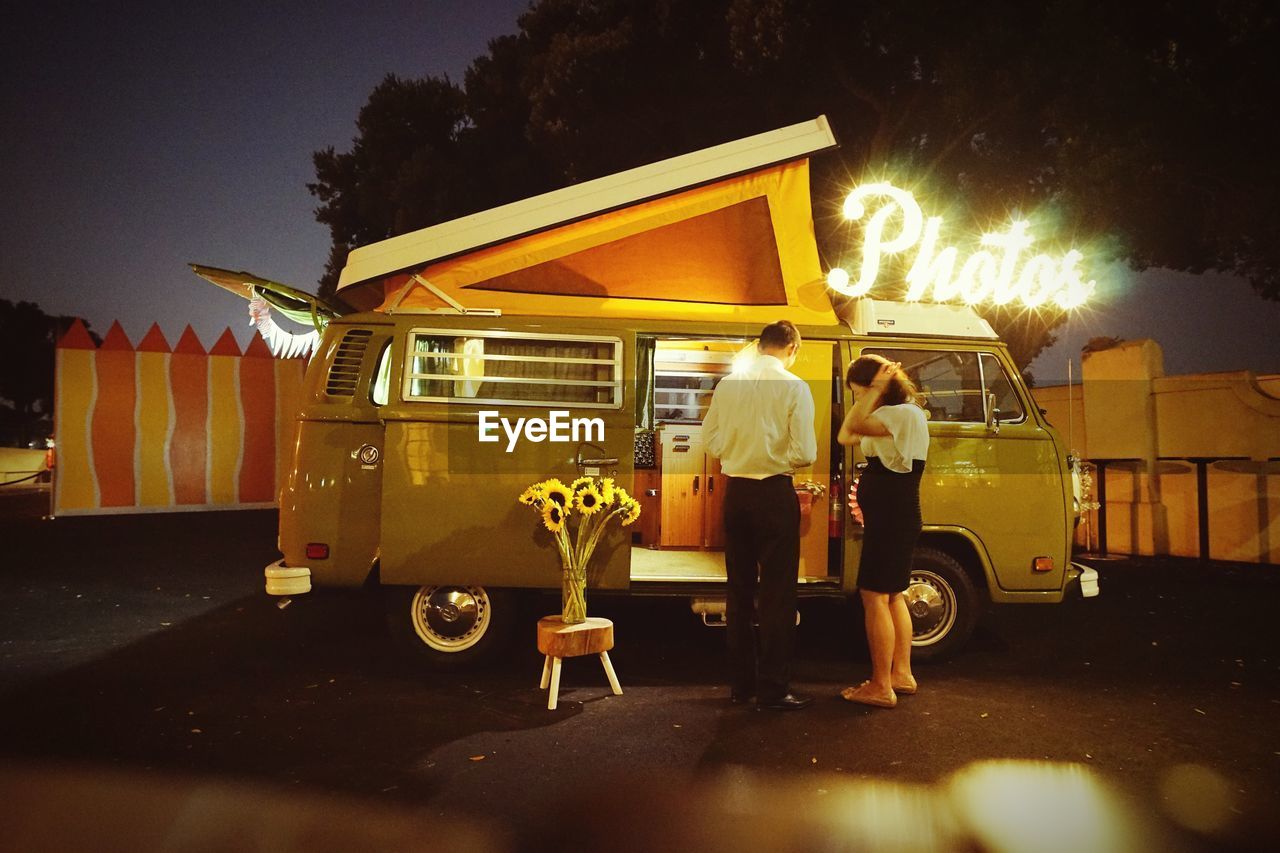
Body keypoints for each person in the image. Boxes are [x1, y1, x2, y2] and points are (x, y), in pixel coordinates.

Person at [703, 320, 817, 711]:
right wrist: (771, 459)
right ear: (792, 349)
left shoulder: (728, 385)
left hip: (736, 494)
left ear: (761, 346)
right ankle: (773, 689)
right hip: (773, 493)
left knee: (738, 591)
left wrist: (738, 454)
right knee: (777, 594)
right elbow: (805, 453)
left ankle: (741, 686)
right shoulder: (794, 387)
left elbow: (709, 439)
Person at [836, 354, 929, 708]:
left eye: (859, 390)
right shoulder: (901, 415)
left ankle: (880, 685)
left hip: (892, 515)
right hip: (896, 514)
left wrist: (873, 391)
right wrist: (872, 394)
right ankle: (900, 674)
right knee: (893, 594)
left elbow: (848, 429)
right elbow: (849, 433)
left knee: (873, 594)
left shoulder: (898, 414)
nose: (857, 398)